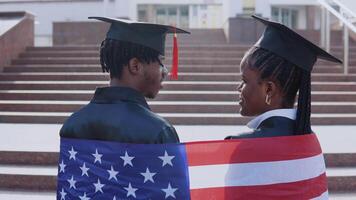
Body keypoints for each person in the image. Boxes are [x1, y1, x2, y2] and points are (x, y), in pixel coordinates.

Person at [60, 17, 189, 143]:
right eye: (160, 62)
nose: (165, 71)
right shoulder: (159, 132)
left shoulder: (73, 124)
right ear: (135, 66)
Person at [226, 15, 342, 139]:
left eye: (244, 81)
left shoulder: (241, 144)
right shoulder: (310, 140)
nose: (239, 88)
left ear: (269, 89)